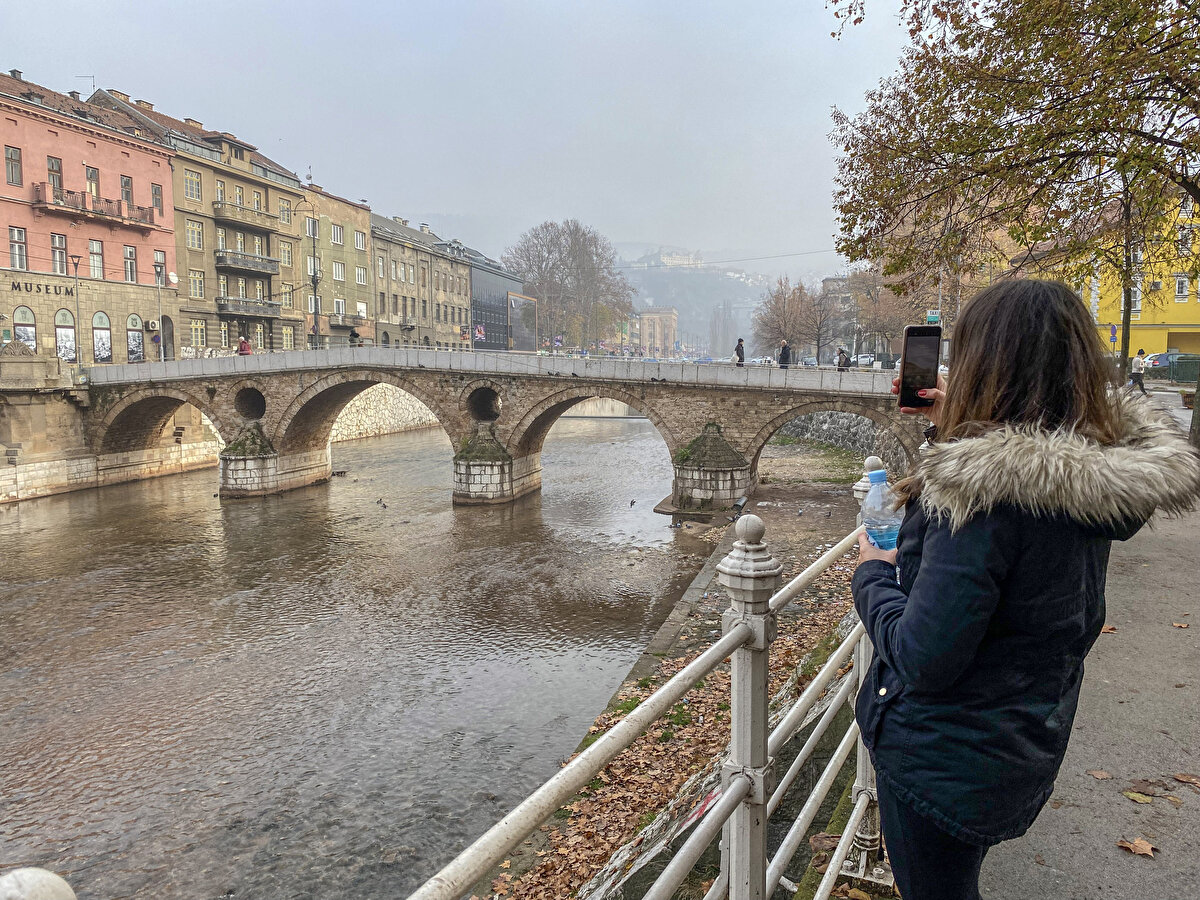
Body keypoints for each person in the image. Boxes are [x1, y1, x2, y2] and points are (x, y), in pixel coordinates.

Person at [853, 279, 1200, 900]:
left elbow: (924, 656)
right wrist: (952, 426)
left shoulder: (983, 497)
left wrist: (873, 573)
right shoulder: (1086, 484)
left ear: (989, 363)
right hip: (1015, 742)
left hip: (941, 760)